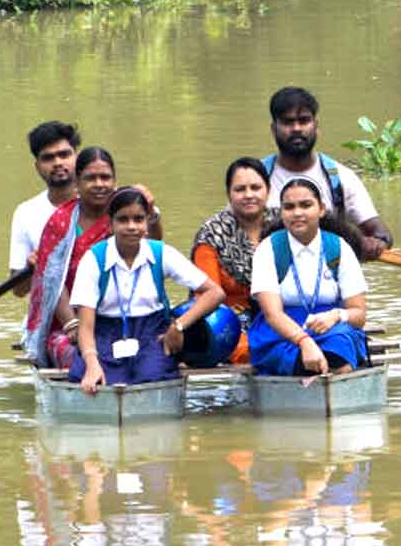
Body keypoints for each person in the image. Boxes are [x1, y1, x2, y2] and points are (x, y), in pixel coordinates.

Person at [69, 187, 224, 393]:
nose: (132, 227)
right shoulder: (94, 259)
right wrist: (91, 362)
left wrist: (178, 326)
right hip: (104, 333)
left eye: (139, 219)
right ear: (110, 223)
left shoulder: (161, 253)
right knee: (91, 379)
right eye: (123, 220)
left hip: (152, 333)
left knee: (153, 378)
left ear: (147, 221)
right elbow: (86, 326)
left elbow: (215, 292)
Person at [23, 148, 162, 369]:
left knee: (163, 351)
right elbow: (53, 280)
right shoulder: (61, 221)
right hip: (69, 322)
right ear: (77, 182)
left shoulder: (126, 215)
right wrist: (72, 325)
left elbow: (154, 254)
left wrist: (152, 213)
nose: (99, 184)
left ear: (115, 181)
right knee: (76, 357)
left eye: (105, 177)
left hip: (124, 317)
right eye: (91, 178)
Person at [248, 177, 368, 376]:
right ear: (281, 212)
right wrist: (304, 342)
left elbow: (359, 314)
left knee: (340, 350)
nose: (297, 213)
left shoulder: (339, 248)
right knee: (304, 363)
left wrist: (337, 315)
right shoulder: (267, 250)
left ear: (321, 209)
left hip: (331, 330)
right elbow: (272, 314)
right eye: (289, 207)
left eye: (306, 205)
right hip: (280, 333)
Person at [262, 87, 393, 261]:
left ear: (316, 126)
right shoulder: (256, 179)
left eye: (304, 121)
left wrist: (377, 243)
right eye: (288, 122)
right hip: (270, 279)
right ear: (273, 129)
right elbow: (228, 230)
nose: (296, 129)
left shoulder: (340, 177)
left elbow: (381, 233)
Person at [191, 157, 274, 364]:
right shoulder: (211, 235)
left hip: (279, 314)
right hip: (229, 324)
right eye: (240, 189)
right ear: (229, 194)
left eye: (256, 187)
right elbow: (207, 297)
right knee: (251, 352)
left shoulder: (283, 226)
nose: (249, 195)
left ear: (268, 190)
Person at [10, 121, 80, 296]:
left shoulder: (103, 201)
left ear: (77, 157)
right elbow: (18, 290)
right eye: (48, 158)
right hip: (48, 315)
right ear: (37, 166)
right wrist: (31, 267)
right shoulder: (25, 213)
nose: (57, 162)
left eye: (64, 155)